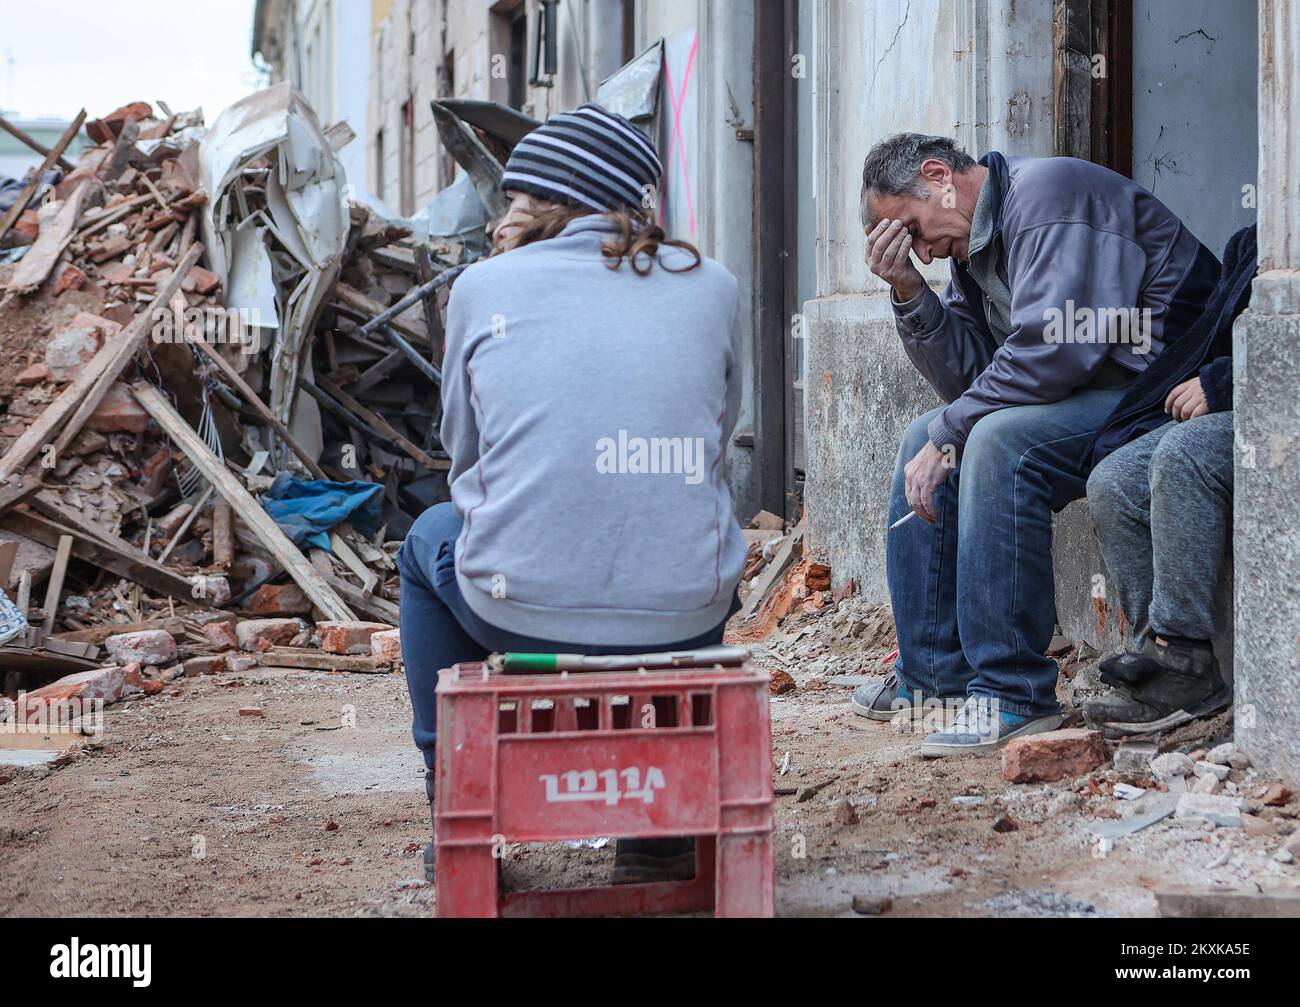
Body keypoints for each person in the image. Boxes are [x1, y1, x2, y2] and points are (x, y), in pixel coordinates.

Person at [396, 104, 746, 882]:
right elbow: (717, 441)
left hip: (513, 607)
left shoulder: (481, 287)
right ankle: (656, 838)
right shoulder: (713, 284)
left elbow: (466, 453)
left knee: (428, 537)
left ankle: (458, 815)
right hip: (689, 611)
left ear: (539, 203)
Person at [849, 133, 1219, 756]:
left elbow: (1054, 348)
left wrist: (952, 431)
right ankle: (933, 679)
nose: (921, 252)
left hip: (1156, 386)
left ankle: (1012, 694)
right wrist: (911, 292)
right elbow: (973, 379)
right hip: (1092, 390)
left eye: (911, 228)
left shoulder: (1049, 196)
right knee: (927, 432)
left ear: (939, 175)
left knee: (992, 441)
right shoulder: (974, 246)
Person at [1081, 225, 1256, 736]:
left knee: (1185, 454)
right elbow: (1208, 339)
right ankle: (1154, 657)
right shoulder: (1253, 239)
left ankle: (1185, 661)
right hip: (1249, 405)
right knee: (1114, 480)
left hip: (1277, 411)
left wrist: (1226, 382)